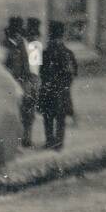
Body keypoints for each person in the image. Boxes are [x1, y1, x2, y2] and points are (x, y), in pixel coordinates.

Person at [38, 21, 78, 150]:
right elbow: (73, 73)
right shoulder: (68, 53)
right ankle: (58, 143)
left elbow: (41, 72)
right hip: (61, 90)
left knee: (48, 116)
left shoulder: (45, 53)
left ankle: (50, 141)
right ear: (62, 36)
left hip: (49, 89)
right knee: (60, 117)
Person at [4, 16, 37, 148]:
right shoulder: (7, 45)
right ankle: (15, 139)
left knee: (27, 111)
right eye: (16, 32)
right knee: (14, 112)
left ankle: (26, 138)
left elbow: (30, 66)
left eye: (19, 32)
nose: (18, 35)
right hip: (12, 82)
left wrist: (30, 82)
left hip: (24, 81)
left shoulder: (24, 44)